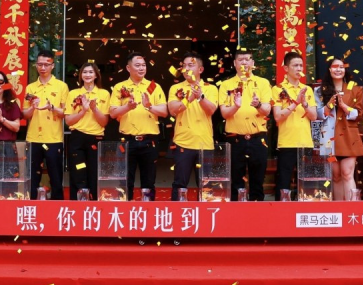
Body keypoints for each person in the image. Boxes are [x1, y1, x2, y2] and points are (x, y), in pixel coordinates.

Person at [109, 52, 167, 200]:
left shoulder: (153, 86)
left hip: (149, 141)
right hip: (127, 141)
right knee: (124, 182)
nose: (141, 68)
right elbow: (113, 113)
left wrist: (149, 106)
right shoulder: (120, 87)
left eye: (143, 65)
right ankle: (125, 210)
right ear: (128, 68)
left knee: (149, 182)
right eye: (137, 65)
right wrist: (127, 107)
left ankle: (148, 210)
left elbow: (164, 112)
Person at [218, 49, 273, 200]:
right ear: (235, 63)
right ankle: (236, 212)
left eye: (247, 59)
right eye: (240, 60)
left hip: (258, 139)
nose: (244, 62)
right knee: (236, 181)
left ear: (253, 63)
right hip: (235, 139)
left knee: (257, 181)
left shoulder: (263, 83)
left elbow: (267, 111)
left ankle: (257, 210)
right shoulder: (226, 85)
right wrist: (236, 106)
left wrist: (258, 104)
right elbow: (224, 113)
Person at [167, 52, 219, 200]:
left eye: (191, 65)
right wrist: (189, 98)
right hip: (183, 143)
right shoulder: (175, 88)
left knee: (206, 186)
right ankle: (177, 213)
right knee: (179, 184)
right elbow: (172, 110)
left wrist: (200, 97)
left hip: (205, 144)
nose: (186, 68)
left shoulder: (211, 88)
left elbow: (211, 110)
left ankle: (206, 214)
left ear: (200, 69)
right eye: (184, 66)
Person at [314, 57, 363, 201]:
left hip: (349, 138)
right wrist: (329, 105)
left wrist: (343, 106)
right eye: (335, 66)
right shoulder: (319, 91)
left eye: (341, 67)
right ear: (329, 69)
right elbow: (317, 115)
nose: (338, 69)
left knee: (347, 173)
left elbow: (359, 114)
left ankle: (351, 209)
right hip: (329, 139)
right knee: (335, 176)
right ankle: (338, 208)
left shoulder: (355, 89)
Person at [23, 49, 69, 200]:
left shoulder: (61, 86)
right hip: (33, 138)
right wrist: (32, 107)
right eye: (40, 64)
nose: (43, 67)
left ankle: (58, 206)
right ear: (36, 65)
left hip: (54, 139)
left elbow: (65, 113)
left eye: (46, 64)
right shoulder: (30, 88)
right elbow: (25, 115)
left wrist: (52, 107)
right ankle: (31, 206)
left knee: (55, 178)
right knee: (32, 178)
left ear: (53, 65)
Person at [273, 51, 317, 200]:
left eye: (301, 66)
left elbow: (313, 116)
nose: (299, 69)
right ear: (286, 68)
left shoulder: (307, 89)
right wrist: (295, 103)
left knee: (305, 184)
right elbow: (277, 116)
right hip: (287, 142)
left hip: (305, 142)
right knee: (283, 181)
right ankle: (281, 211)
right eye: (295, 65)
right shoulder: (278, 89)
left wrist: (304, 103)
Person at [65, 61, 109, 199]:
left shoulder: (104, 94)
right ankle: (77, 204)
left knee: (94, 173)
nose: (87, 75)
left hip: (95, 138)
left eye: (91, 72)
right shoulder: (73, 93)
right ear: (80, 75)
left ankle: (93, 204)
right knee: (77, 172)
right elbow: (68, 121)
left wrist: (94, 109)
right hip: (77, 138)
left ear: (96, 75)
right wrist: (83, 111)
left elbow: (104, 122)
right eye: (84, 72)